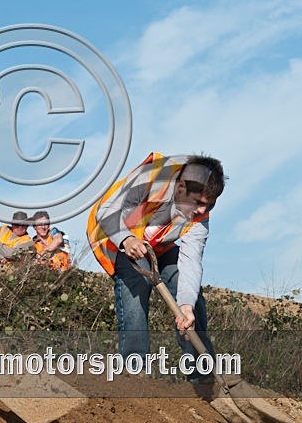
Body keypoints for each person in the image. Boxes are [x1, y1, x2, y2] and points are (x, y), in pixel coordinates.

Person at [86, 153, 225, 383]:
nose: (202, 210)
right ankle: (136, 369)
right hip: (116, 234)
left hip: (158, 245)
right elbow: (106, 211)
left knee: (191, 297)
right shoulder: (151, 178)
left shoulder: (201, 217)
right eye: (199, 203)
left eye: (209, 204)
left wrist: (186, 305)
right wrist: (127, 240)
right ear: (181, 187)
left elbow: (191, 261)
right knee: (137, 283)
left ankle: (203, 376)